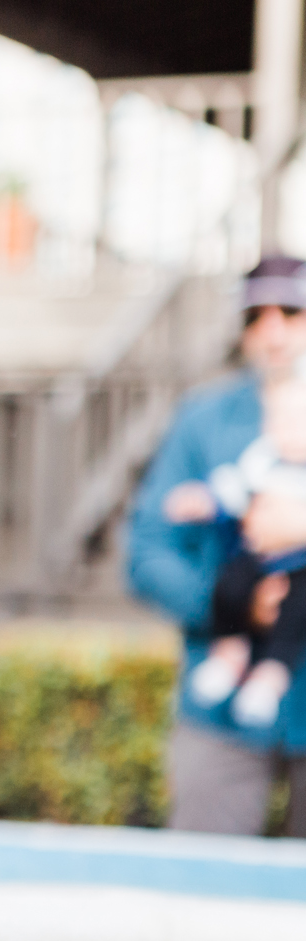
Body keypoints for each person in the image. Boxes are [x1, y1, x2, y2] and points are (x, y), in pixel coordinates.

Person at [129, 254, 306, 836]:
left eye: (292, 311)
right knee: (199, 905)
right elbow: (148, 550)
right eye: (257, 315)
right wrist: (236, 604)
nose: (273, 330)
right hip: (220, 712)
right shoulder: (202, 419)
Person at [161, 376, 306, 727]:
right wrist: (203, 500)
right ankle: (229, 651)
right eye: (278, 420)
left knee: (296, 611)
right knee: (230, 586)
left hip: (299, 568)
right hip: (255, 558)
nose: (286, 431)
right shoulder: (262, 461)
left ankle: (270, 678)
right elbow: (230, 490)